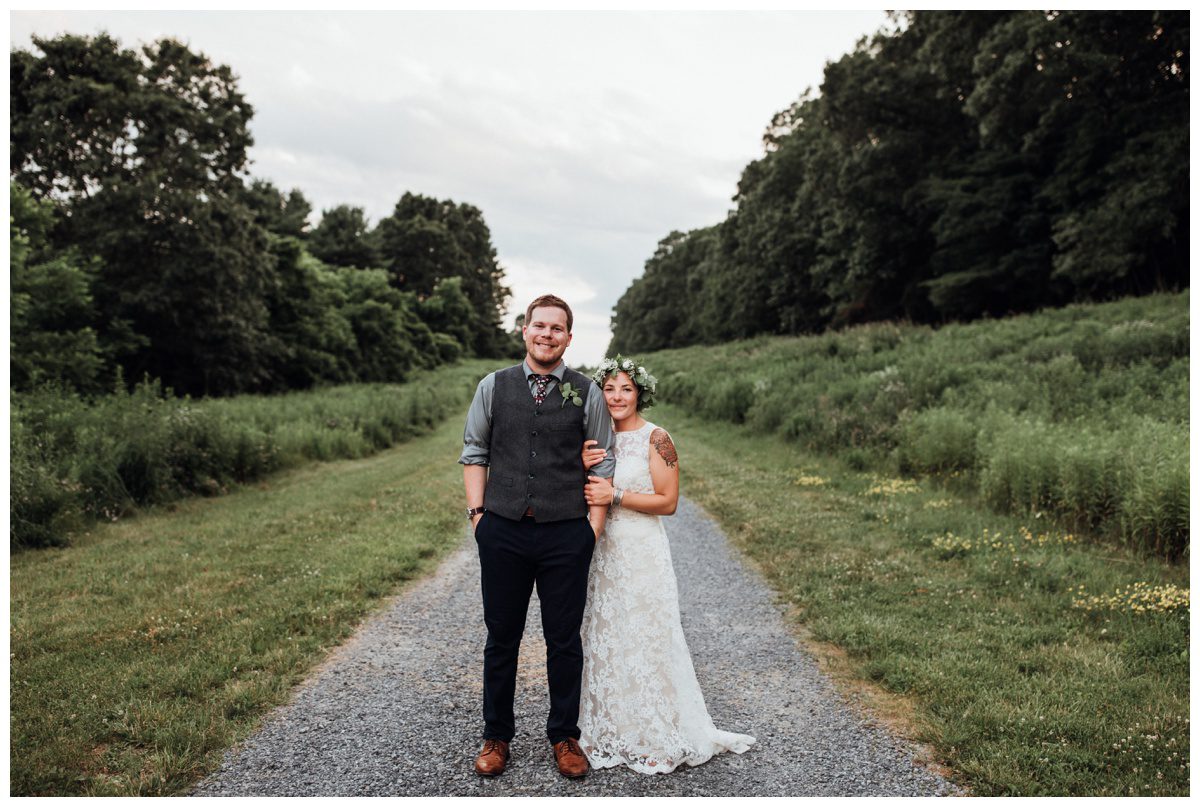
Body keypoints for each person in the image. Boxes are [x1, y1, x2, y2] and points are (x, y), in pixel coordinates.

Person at [459, 294, 615, 779]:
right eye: (539, 326)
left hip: (566, 532)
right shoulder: (494, 386)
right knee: (501, 638)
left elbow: (604, 460)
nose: (547, 335)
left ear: (569, 337)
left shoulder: (587, 391)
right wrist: (478, 517)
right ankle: (496, 736)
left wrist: (591, 530)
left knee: (563, 639)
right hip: (502, 529)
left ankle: (565, 737)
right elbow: (474, 451)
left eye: (557, 329)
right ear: (524, 330)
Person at [576, 356, 756, 774]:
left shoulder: (658, 438)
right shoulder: (594, 439)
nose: (617, 397)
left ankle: (655, 732)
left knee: (647, 634)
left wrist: (615, 495)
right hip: (603, 551)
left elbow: (668, 502)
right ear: (600, 395)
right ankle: (609, 729)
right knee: (607, 633)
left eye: (626, 389)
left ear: (639, 393)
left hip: (641, 551)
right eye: (609, 389)